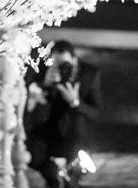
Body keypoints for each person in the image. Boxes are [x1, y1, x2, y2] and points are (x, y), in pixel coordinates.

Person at [24, 40, 101, 188]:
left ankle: (68, 177)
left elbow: (96, 112)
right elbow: (29, 105)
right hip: (46, 129)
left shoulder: (88, 74)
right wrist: (44, 84)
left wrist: (76, 102)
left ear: (74, 59)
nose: (60, 68)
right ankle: (54, 178)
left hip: (74, 132)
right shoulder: (43, 69)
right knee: (34, 152)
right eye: (55, 63)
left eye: (64, 64)